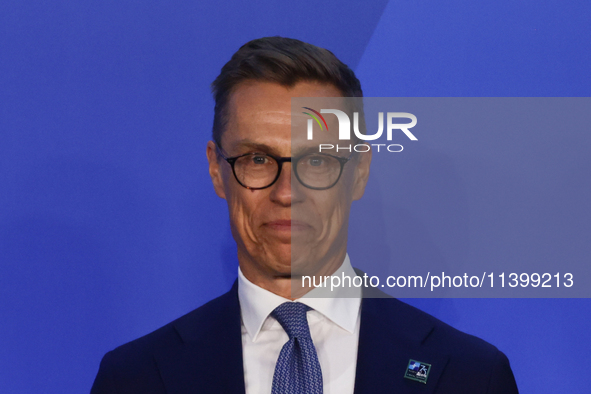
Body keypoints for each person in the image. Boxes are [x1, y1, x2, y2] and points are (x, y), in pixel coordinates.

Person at [91, 36, 518, 394]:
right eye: (258, 159)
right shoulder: (136, 377)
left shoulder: (471, 375)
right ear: (216, 170)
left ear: (360, 172)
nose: (286, 192)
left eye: (316, 161)